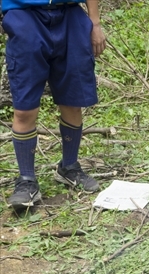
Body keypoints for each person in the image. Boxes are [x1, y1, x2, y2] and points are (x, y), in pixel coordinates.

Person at [1, 0, 106, 211]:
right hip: (24, 15)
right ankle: (26, 180)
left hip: (70, 15)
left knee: (73, 101)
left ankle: (69, 166)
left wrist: (94, 23)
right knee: (24, 109)